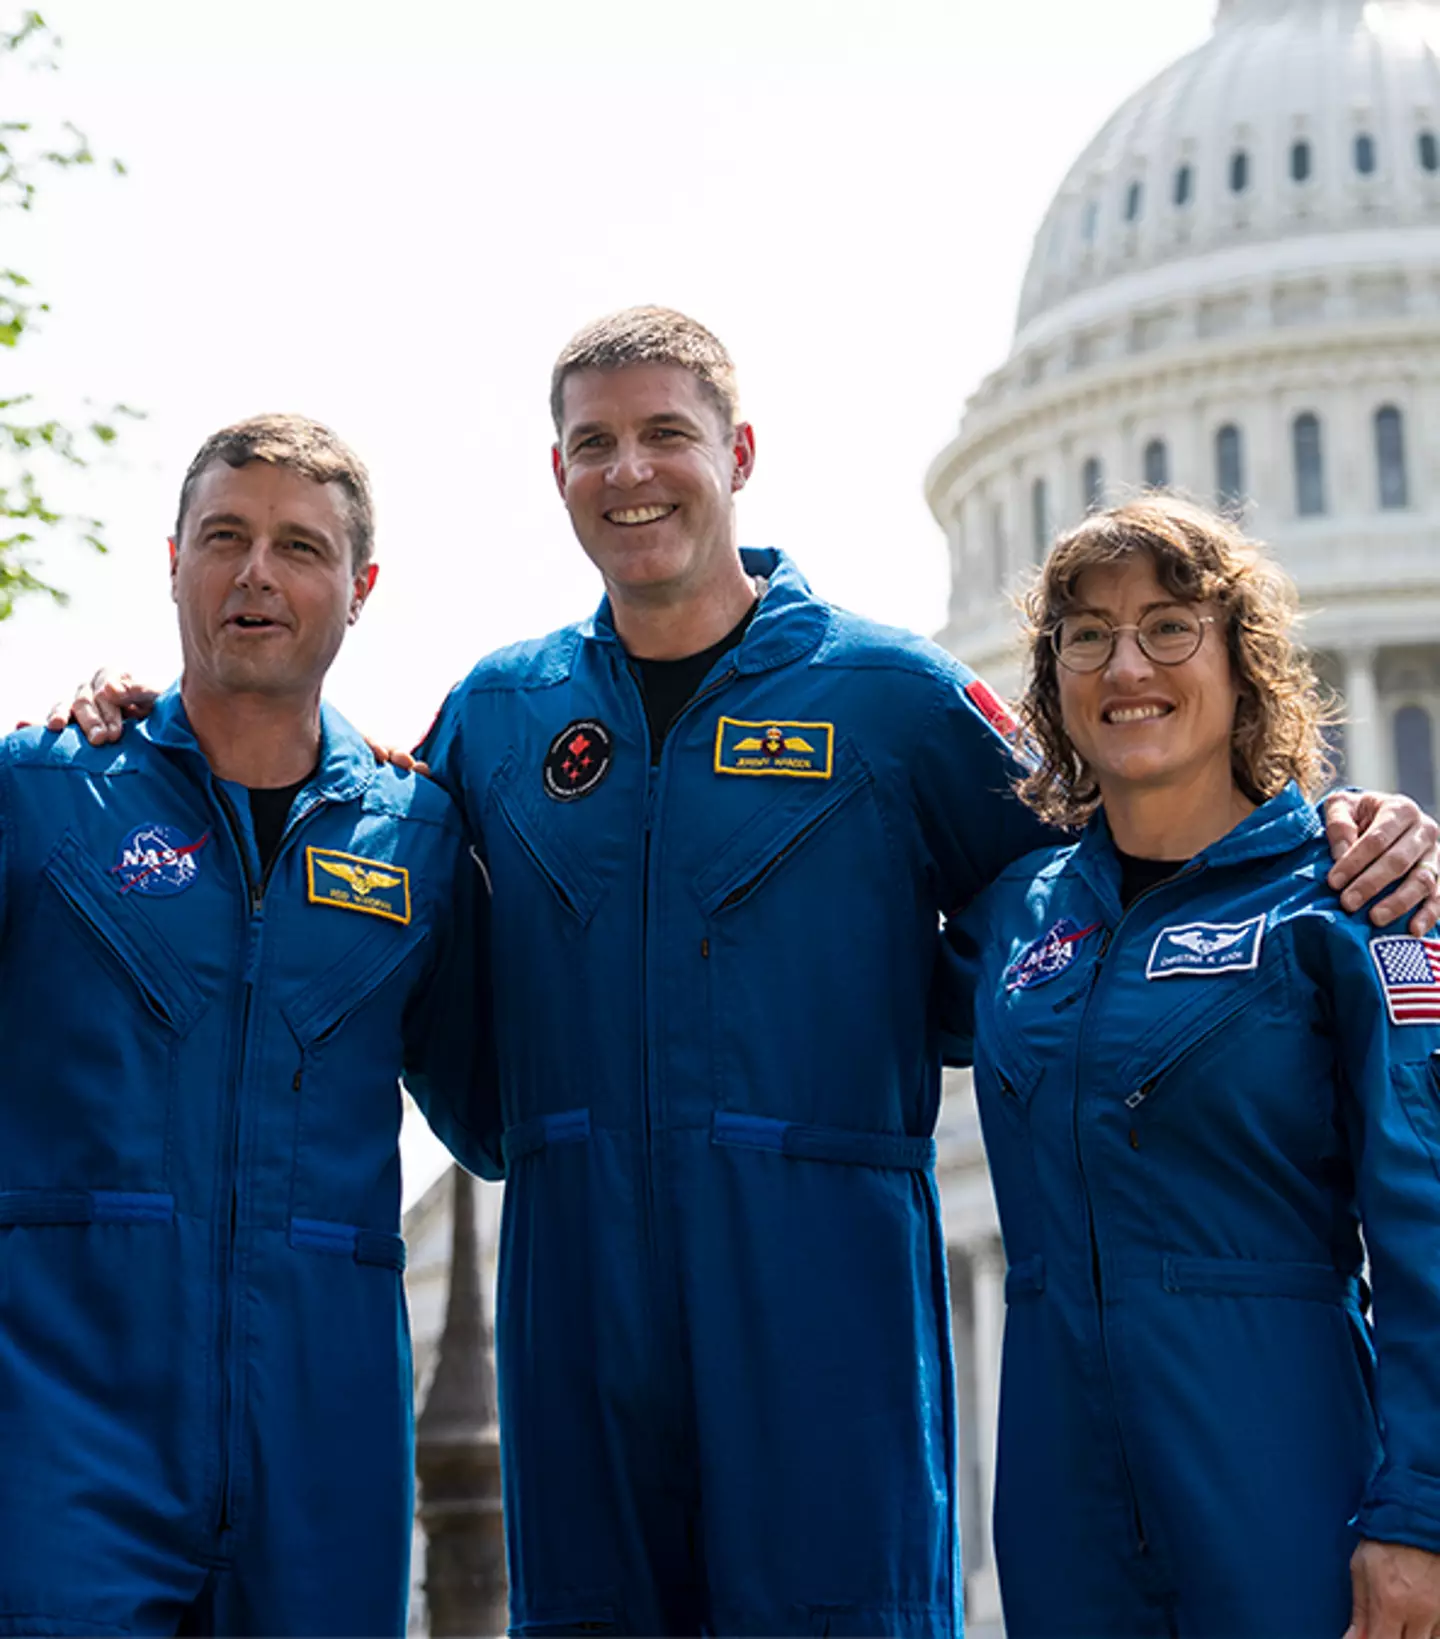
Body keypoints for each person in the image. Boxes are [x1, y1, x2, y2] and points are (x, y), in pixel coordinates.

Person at [55, 312, 1440, 1639]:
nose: (632, 471)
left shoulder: (890, 699)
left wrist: (1334, 825)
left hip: (822, 1313)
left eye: (667, 434)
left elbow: (1126, 851)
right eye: (594, 444)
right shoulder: (500, 712)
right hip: (579, 1322)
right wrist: (135, 729)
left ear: (741, 455)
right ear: (557, 474)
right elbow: (344, 853)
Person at [3, 415, 489, 1638]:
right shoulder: (42, 796)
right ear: (173, 560)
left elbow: (496, 1109)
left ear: (360, 589)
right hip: (64, 1439)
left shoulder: (424, 838)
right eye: (224, 537)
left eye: (299, 547)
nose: (256, 572)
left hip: (325, 1449)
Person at [944, 498, 1440, 1639]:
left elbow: (1427, 1227)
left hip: (1279, 1459)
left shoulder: (1359, 903)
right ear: (1056, 677)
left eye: (1171, 626)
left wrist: (1419, 1513)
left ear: (1242, 661)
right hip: (1059, 1490)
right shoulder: (1014, 921)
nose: (1128, 666)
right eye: (1088, 634)